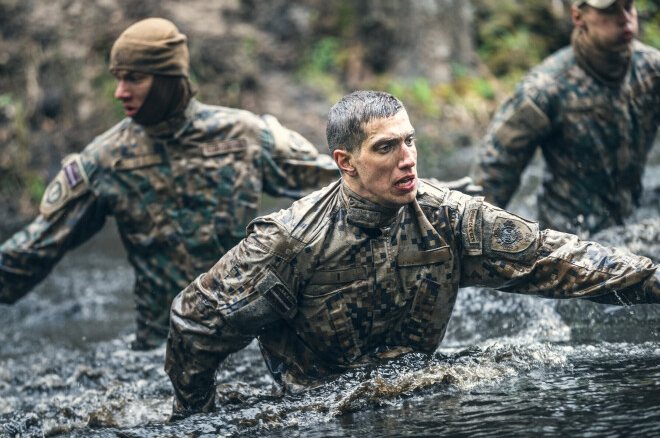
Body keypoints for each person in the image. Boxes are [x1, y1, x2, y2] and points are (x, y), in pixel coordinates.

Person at [164, 90, 659, 419]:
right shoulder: (290, 241)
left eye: (410, 141)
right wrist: (197, 419)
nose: (408, 158)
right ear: (346, 162)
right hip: (315, 419)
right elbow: (195, 323)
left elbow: (562, 259)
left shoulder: (449, 218)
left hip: (422, 403)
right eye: (386, 148)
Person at [0, 18, 339, 350]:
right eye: (118, 79)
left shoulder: (246, 136)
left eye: (133, 78)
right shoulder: (105, 160)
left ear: (167, 78)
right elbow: (29, 253)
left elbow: (344, 190)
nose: (120, 92)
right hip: (158, 353)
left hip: (248, 343)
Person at [472, 0, 660, 236]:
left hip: (634, 224)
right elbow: (492, 175)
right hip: (568, 241)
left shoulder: (653, 71)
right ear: (578, 17)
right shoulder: (545, 89)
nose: (625, 18)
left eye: (629, 6)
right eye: (609, 10)